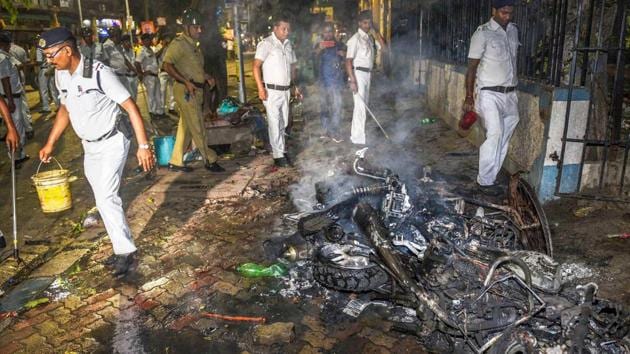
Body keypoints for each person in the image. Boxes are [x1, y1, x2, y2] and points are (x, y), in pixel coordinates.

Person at [37, 28, 155, 276]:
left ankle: (125, 252)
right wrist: (50, 142)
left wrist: (143, 147)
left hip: (113, 140)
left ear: (67, 51)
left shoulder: (99, 73)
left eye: (51, 54)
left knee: (106, 197)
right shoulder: (62, 75)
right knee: (103, 197)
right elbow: (65, 109)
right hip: (89, 146)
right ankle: (121, 247)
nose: (48, 59)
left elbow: (131, 107)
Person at [463, 0, 520, 195]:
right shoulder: (482, 33)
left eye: (510, 13)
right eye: (504, 12)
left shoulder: (513, 30)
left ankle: (492, 176)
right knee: (494, 134)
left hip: (511, 93)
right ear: (494, 10)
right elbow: (471, 68)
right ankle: (484, 181)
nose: (507, 17)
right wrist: (469, 96)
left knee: (504, 137)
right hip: (489, 94)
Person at [162, 8, 224, 173]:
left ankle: (175, 161)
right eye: (196, 27)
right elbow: (166, 65)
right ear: (186, 27)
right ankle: (209, 159)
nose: (199, 30)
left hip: (195, 90)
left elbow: (194, 69)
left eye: (200, 27)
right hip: (186, 91)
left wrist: (206, 76)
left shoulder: (194, 46)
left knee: (186, 127)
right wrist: (185, 82)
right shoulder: (179, 44)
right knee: (197, 126)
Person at [253, 15, 302, 168]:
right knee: (274, 122)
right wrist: (261, 88)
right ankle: (278, 155)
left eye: (288, 29)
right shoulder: (266, 44)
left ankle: (281, 149)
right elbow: (255, 67)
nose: (286, 32)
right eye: (283, 29)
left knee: (284, 122)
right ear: (275, 28)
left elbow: (293, 67)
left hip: (286, 90)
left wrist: (295, 86)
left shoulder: (288, 45)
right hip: (271, 91)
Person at [345, 10, 386, 146]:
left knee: (363, 106)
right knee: (360, 107)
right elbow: (348, 61)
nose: (367, 25)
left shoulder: (370, 38)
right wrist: (352, 80)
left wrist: (376, 31)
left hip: (368, 74)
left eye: (369, 22)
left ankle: (357, 136)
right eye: (365, 22)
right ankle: (358, 139)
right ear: (359, 23)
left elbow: (385, 48)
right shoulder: (355, 39)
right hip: (358, 74)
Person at [0, 31, 29, 167]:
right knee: (15, 128)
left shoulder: (6, 56)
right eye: (6, 44)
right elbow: (5, 81)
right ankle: (15, 158)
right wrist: (10, 101)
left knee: (18, 126)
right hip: (9, 98)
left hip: (14, 96)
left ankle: (19, 155)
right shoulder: (2, 58)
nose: (8, 47)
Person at [314, 22, 346, 143]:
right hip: (323, 81)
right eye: (325, 31)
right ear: (322, 33)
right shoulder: (319, 45)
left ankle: (336, 131)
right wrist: (319, 50)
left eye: (330, 31)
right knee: (324, 106)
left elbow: (347, 59)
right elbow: (312, 58)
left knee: (337, 106)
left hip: (336, 81)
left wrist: (344, 54)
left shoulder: (339, 45)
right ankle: (327, 130)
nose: (328, 34)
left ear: (333, 32)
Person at [102, 27, 138, 101]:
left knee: (130, 97)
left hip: (123, 76)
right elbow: (105, 62)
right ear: (114, 36)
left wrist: (133, 69)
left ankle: (128, 112)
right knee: (120, 99)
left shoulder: (118, 45)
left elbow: (124, 59)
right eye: (119, 35)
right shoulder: (106, 46)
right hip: (115, 76)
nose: (120, 37)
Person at [8, 36, 34, 139]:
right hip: (19, 75)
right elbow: (24, 65)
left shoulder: (5, 51)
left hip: (10, 78)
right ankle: (28, 126)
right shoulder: (20, 49)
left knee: (16, 103)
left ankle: (25, 128)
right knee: (22, 101)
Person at [135, 33, 164, 119]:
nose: (148, 41)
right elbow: (137, 63)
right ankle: (152, 112)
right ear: (143, 41)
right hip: (149, 77)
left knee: (158, 94)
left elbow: (155, 57)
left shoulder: (150, 49)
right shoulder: (142, 51)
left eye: (149, 39)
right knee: (151, 96)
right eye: (146, 40)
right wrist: (141, 73)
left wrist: (164, 47)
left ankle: (159, 112)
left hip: (155, 75)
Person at [36, 36, 60, 113]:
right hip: (51, 69)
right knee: (53, 89)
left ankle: (46, 107)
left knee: (43, 89)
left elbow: (39, 61)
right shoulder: (49, 47)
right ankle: (58, 105)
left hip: (44, 69)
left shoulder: (39, 49)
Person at [155, 31, 176, 114]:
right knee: (162, 91)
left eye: (168, 39)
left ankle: (171, 108)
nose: (167, 40)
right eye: (166, 39)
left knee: (172, 91)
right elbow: (155, 56)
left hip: (171, 72)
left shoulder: (171, 47)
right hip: (163, 72)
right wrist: (163, 47)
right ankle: (162, 109)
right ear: (162, 40)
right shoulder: (158, 47)